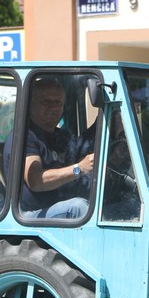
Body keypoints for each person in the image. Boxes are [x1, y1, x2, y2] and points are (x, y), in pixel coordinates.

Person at [18, 76, 95, 219]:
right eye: (46, 102)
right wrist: (80, 168)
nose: (53, 108)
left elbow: (82, 148)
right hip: (30, 214)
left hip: (56, 206)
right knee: (78, 208)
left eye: (58, 103)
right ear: (31, 103)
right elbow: (35, 180)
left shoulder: (60, 136)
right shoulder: (25, 136)